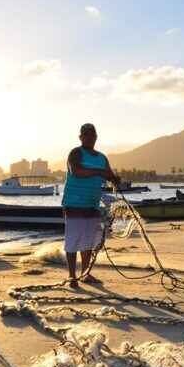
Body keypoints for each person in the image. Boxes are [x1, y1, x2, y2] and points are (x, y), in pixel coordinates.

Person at [61, 123, 119, 288]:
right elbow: (76, 171)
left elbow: (110, 175)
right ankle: (72, 276)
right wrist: (99, 172)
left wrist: (115, 179)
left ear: (96, 137)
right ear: (80, 137)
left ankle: (85, 273)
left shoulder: (102, 157)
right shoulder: (76, 153)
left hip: (92, 205)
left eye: (92, 134)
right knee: (72, 241)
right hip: (74, 204)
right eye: (85, 134)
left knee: (89, 242)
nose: (89, 137)